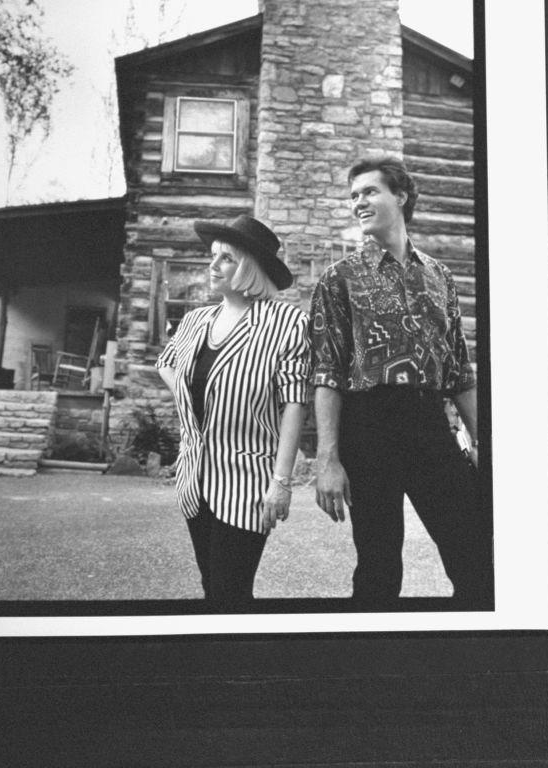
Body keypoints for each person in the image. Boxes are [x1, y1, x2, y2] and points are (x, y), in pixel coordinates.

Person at [310, 155, 491, 609]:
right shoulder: (339, 279)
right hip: (368, 426)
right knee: (378, 565)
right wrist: (327, 458)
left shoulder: (440, 277)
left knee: (473, 553)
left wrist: (484, 440)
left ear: (402, 196)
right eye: (353, 195)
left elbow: (459, 371)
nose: (359, 202)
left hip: (430, 422)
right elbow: (327, 374)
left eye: (369, 191)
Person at [156, 214, 310, 612]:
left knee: (231, 593)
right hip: (194, 478)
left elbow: (294, 402)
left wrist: (282, 481)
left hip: (248, 483)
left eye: (225, 258)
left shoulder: (288, 324)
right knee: (212, 587)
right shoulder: (195, 320)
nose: (213, 265)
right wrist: (191, 399)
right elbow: (166, 363)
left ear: (248, 267)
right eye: (213, 256)